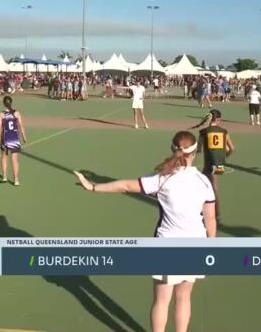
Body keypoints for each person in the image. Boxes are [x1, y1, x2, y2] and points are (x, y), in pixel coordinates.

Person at [72, 131, 217, 332]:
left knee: (161, 300)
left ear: (172, 149)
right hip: (196, 246)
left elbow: (124, 185)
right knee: (184, 297)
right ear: (195, 153)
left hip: (166, 246)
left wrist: (93, 187)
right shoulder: (204, 181)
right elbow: (210, 219)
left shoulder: (161, 178)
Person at [192, 109, 235, 218]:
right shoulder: (224, 131)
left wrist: (192, 163)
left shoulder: (204, 132)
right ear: (218, 119)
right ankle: (214, 211)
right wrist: (224, 157)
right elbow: (232, 148)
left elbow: (199, 149)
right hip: (218, 163)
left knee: (207, 185)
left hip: (209, 162)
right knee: (212, 185)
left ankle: (214, 212)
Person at [0, 96, 27, 185]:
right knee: (14, 159)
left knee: (4, 157)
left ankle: (4, 176)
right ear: (11, 103)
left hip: (5, 138)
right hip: (14, 138)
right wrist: (24, 137)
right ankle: (16, 179)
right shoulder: (16, 113)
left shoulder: (1, 114)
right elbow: (21, 126)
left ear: (3, 103)